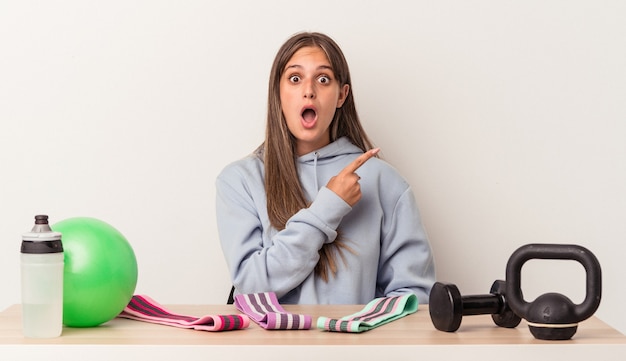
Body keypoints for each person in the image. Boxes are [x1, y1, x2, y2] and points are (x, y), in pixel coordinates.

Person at [216, 32, 435, 304]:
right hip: (270, 348)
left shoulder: (384, 181)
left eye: (323, 79)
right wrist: (327, 208)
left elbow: (414, 297)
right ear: (278, 93)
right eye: (295, 79)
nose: (309, 90)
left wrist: (359, 330)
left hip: (359, 347)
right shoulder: (240, 180)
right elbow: (250, 288)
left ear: (341, 95)